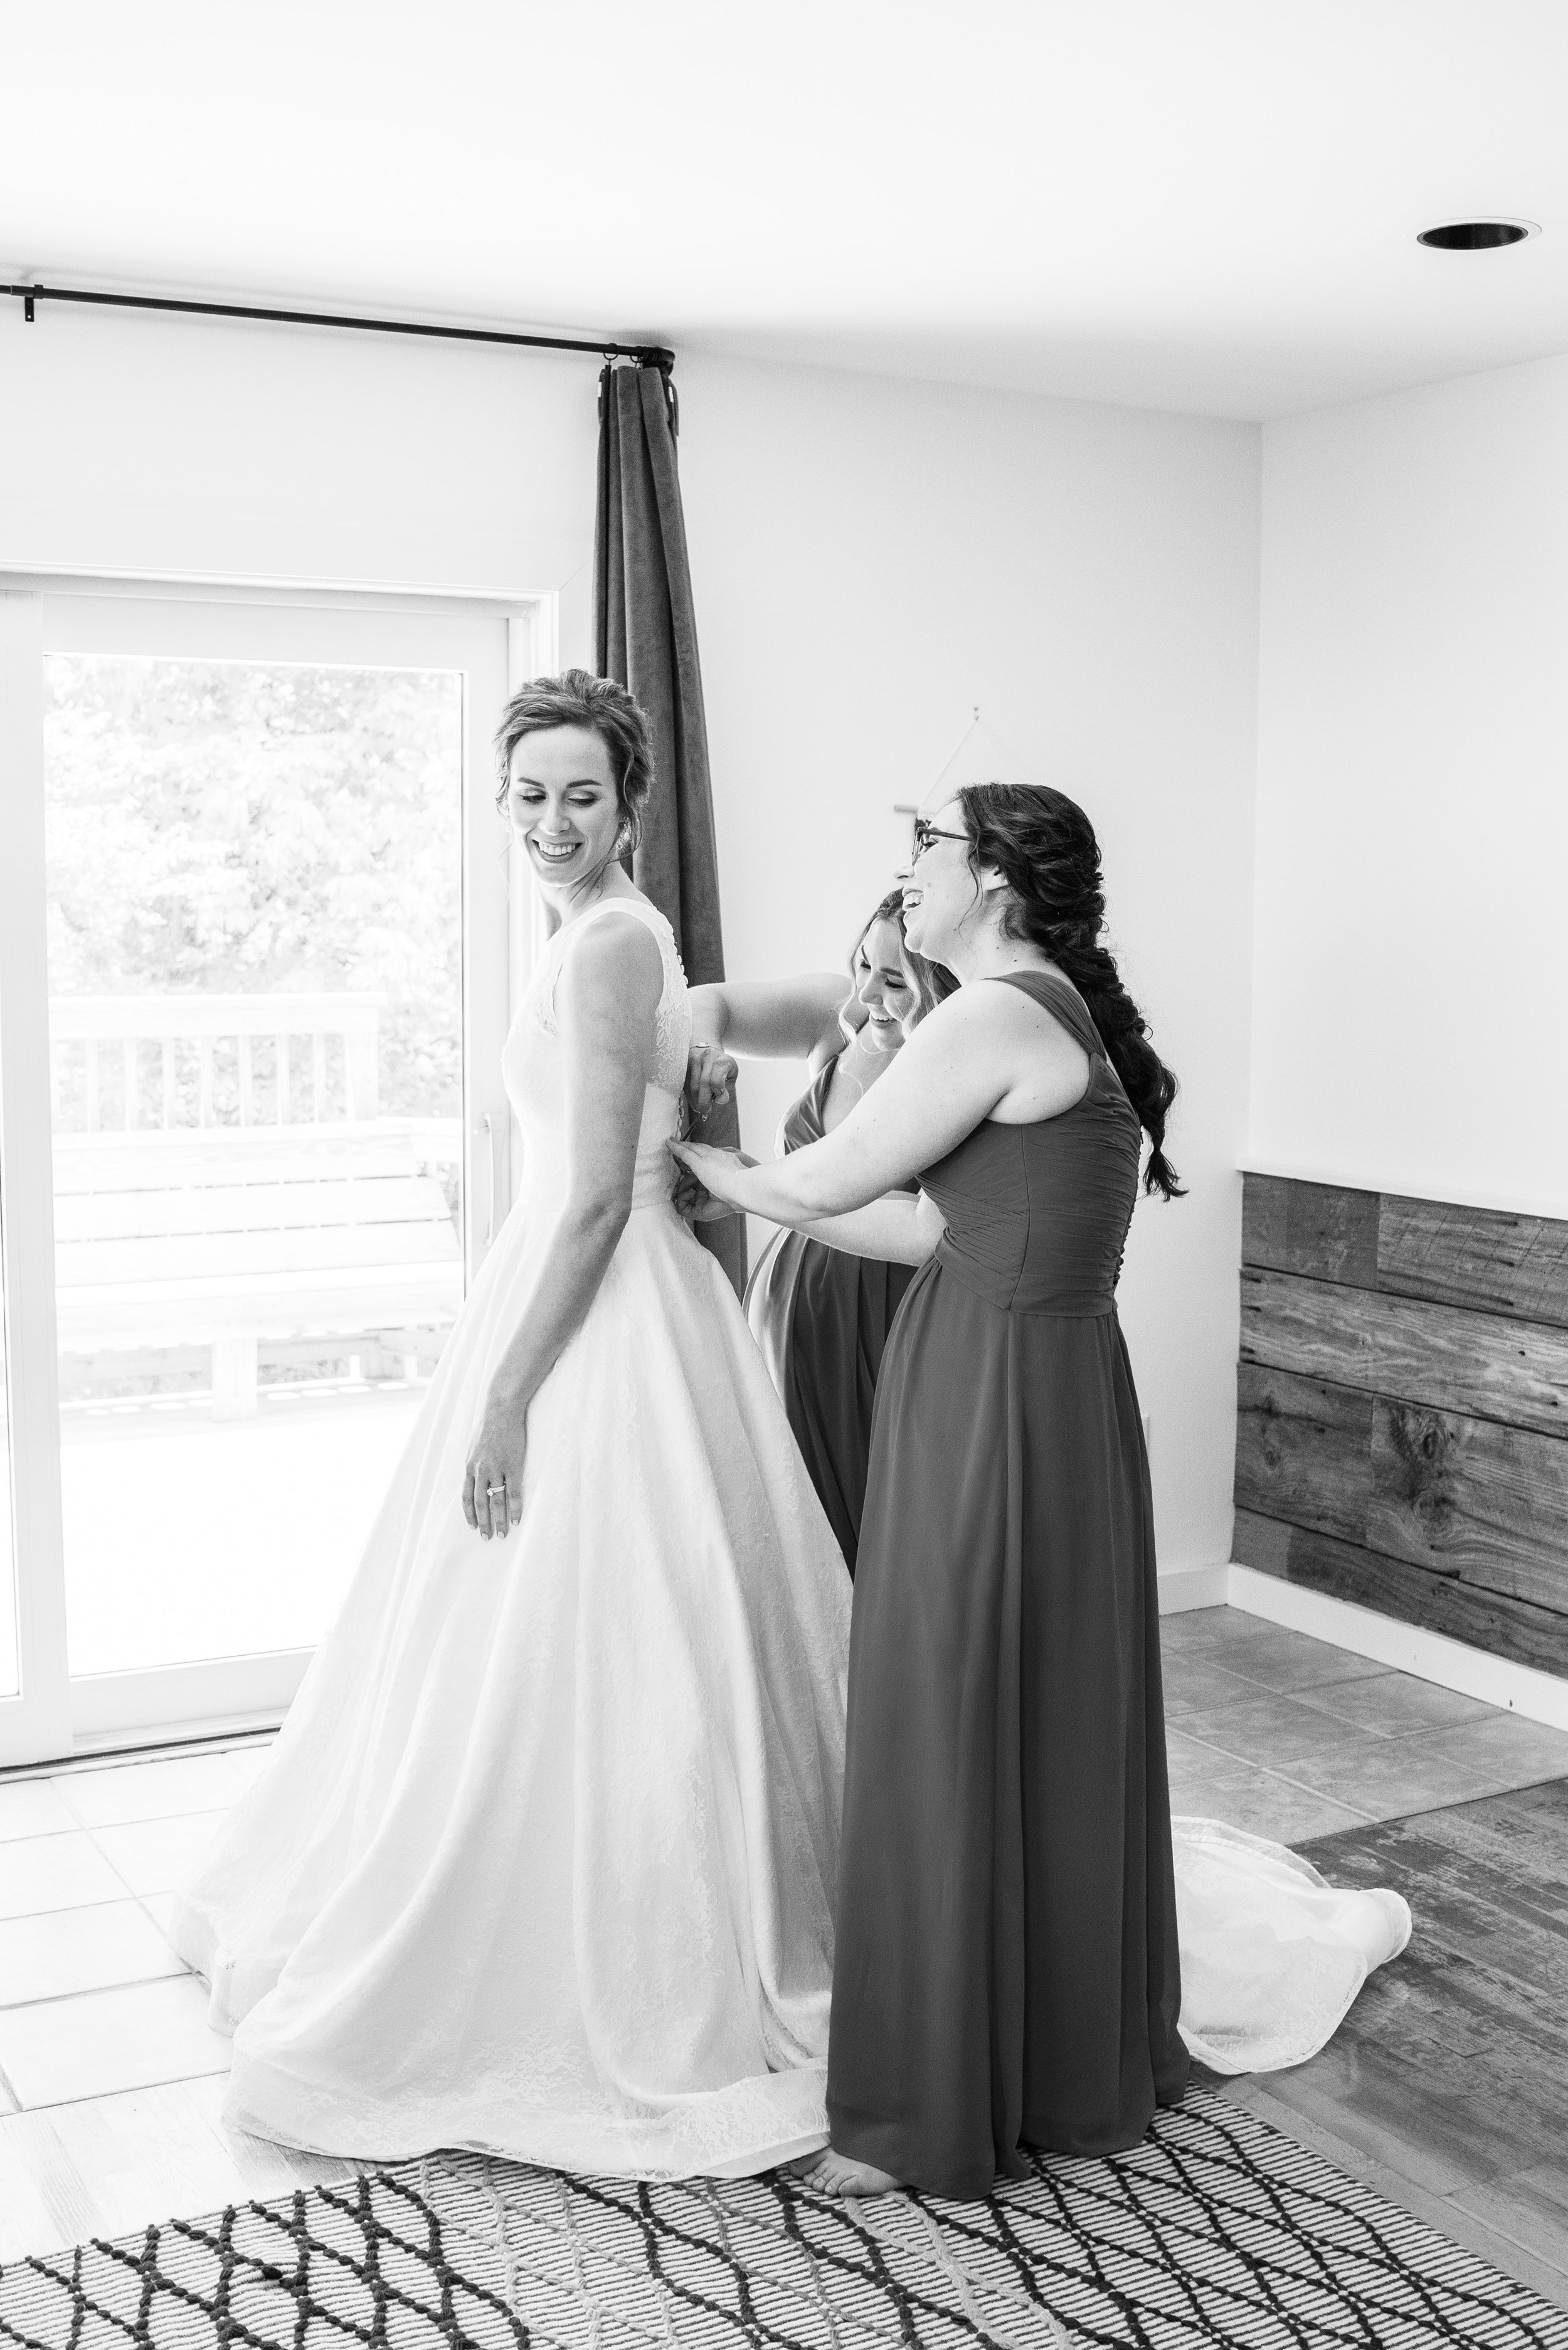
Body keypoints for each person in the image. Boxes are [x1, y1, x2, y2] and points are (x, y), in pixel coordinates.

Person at [674, 782, 1409, 2199]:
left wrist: (712, 1172)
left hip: (993, 1405)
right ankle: (1041, 2058)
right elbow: (918, 1225)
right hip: (1047, 1391)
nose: (909, 870)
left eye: (929, 847)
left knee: (943, 1719)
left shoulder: (993, 1014)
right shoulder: (1041, 1010)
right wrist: (751, 1190)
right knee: (1024, 1724)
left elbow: (838, 1177)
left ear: (996, 876)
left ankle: (918, 2112)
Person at [171, 670, 852, 2179]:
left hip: (603, 1319)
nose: (552, 822)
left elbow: (604, 1196)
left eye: (582, 796)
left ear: (631, 806)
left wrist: (503, 1393)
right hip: (575, 1294)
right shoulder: (603, 934)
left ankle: (621, 1949)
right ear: (502, 804)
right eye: (530, 795)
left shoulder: (614, 941)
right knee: (535, 1645)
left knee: (612, 1637)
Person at [685, 891, 951, 1572]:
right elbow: (704, 1002)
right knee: (793, 1516)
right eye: (863, 963)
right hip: (789, 1307)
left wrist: (752, 1188)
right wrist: (705, 1053)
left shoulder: (954, 1061)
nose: (866, 994)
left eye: (895, 981)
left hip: (893, 1317)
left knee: (886, 1522)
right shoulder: (838, 1024)